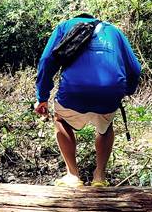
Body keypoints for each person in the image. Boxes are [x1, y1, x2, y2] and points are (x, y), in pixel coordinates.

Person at [34, 14, 141, 187]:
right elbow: (135, 69)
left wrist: (42, 97)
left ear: (77, 18)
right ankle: (99, 177)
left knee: (61, 119)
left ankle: (73, 175)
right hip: (111, 90)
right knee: (105, 127)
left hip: (74, 89)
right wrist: (125, 91)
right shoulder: (113, 31)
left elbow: (47, 60)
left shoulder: (64, 26)